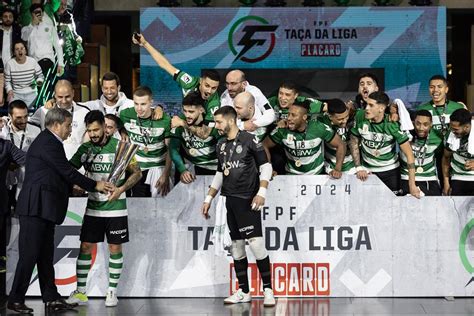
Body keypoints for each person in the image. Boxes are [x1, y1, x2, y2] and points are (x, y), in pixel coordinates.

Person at [7, 108, 112, 314]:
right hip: (35, 207)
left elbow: (56, 174)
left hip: (43, 208)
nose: (70, 131)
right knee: (29, 255)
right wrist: (95, 185)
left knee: (45, 256)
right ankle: (15, 299)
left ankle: (51, 297)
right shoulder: (48, 142)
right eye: (67, 125)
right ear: (56, 125)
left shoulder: (51, 142)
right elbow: (66, 171)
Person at [201, 106, 276, 306]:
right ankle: (244, 291)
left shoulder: (250, 140)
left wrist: (262, 192)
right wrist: (209, 198)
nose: (216, 126)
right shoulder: (220, 146)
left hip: (248, 199)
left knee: (256, 244)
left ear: (231, 121)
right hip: (230, 200)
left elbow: (266, 167)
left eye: (218, 122)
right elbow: (220, 173)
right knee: (236, 246)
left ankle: (268, 290)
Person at [67, 110, 142, 307]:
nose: (93, 134)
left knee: (115, 247)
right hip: (93, 208)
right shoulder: (84, 149)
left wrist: (121, 189)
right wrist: (78, 184)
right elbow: (68, 170)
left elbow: (137, 173)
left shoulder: (120, 147)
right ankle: (81, 291)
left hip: (116, 207)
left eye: (96, 129)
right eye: (89, 130)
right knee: (85, 247)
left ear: (105, 128)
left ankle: (111, 292)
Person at [132, 33, 220, 123]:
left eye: (214, 88)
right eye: (207, 85)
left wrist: (182, 123)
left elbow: (206, 133)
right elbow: (164, 64)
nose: (209, 91)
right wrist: (145, 43)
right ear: (201, 81)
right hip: (185, 120)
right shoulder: (189, 82)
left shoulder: (214, 103)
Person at [349, 91, 421, 198]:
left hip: (390, 172)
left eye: (371, 105)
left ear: (381, 108)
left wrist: (412, 185)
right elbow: (353, 142)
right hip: (368, 172)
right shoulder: (360, 116)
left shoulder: (392, 125)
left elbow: (409, 155)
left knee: (392, 208)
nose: (367, 108)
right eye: (366, 104)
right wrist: (359, 167)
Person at [263, 100, 345, 177]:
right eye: (288, 114)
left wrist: (337, 169)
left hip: (316, 175)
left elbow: (341, 145)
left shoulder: (319, 127)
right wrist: (268, 170)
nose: (288, 118)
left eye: (293, 115)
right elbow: (264, 145)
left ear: (304, 117)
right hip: (291, 176)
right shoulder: (282, 130)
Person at [120, 86, 172, 197]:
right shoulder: (125, 114)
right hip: (137, 169)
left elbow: (170, 150)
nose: (139, 108)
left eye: (143, 104)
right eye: (136, 104)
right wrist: (122, 131)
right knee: (138, 205)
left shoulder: (164, 120)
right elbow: (113, 124)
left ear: (151, 103)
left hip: (158, 168)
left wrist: (165, 175)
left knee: (160, 207)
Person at [30, 79, 90, 159]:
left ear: (73, 93)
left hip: (77, 167)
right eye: (60, 97)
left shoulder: (85, 112)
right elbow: (25, 122)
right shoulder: (44, 111)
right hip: (51, 165)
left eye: (67, 96)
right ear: (54, 95)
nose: (64, 101)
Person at [170, 91, 220, 183]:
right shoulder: (178, 121)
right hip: (192, 167)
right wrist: (182, 170)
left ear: (201, 110)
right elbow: (173, 149)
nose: (187, 115)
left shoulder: (212, 124)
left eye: (191, 111)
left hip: (214, 168)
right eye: (185, 111)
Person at [4, 100, 40, 211]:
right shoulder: (2, 131)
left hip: (25, 183)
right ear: (10, 116)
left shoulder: (36, 131)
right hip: (4, 182)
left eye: (25, 116)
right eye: (19, 117)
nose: (23, 121)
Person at [0, 138, 25, 300]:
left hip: (1, 206)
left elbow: (26, 159)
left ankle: (1, 295)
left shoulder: (6, 146)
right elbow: (27, 159)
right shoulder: (5, 146)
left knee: (1, 254)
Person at [399, 110, 443, 196]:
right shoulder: (404, 135)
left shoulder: (438, 137)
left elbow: (441, 158)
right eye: (418, 123)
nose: (421, 128)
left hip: (429, 179)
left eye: (426, 124)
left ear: (431, 124)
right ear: (413, 122)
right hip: (406, 178)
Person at [21, 3, 64, 78]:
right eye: (35, 12)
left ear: (43, 13)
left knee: (47, 86)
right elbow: (24, 37)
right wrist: (32, 24)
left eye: (40, 12)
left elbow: (57, 46)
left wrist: (60, 64)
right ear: (32, 14)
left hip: (48, 61)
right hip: (33, 64)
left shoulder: (50, 27)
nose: (38, 14)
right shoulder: (26, 28)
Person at [318, 98, 356, 174]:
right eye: (340, 119)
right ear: (330, 116)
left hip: (352, 167)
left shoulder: (353, 117)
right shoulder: (321, 122)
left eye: (346, 117)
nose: (344, 121)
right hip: (330, 167)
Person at [442, 108, 474, 196]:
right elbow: (446, 157)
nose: (452, 131)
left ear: (466, 127)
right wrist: (446, 182)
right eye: (451, 128)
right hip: (458, 178)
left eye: (456, 129)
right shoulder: (450, 135)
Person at [4, 40, 43, 108]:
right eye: (17, 49)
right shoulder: (9, 64)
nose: (20, 51)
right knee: (14, 113)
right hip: (16, 94)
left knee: (29, 114)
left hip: (32, 93)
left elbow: (40, 76)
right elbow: (7, 81)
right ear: (14, 52)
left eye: (22, 48)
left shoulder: (32, 61)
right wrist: (9, 91)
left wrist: (38, 82)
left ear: (25, 51)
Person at [0, 7, 22, 72]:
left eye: (10, 16)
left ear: (13, 18)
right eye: (5, 16)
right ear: (1, 18)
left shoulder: (17, 31)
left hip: (14, 63)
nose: (8, 19)